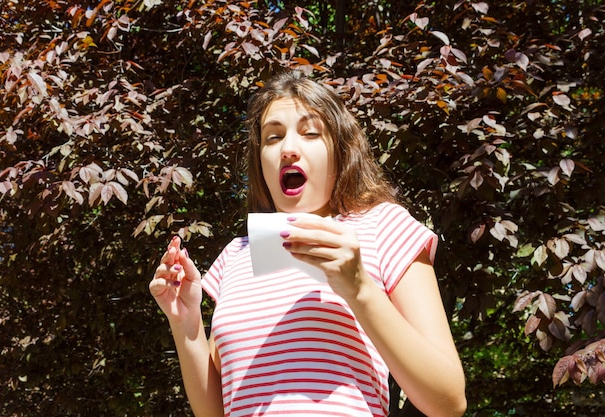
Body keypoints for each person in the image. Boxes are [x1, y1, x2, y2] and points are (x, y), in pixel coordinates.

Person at [150, 71, 467, 417]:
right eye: (272, 138)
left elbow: (449, 402)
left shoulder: (383, 226)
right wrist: (186, 324)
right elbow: (215, 412)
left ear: (340, 151)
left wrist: (358, 287)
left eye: (310, 133)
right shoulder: (237, 255)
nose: (287, 149)